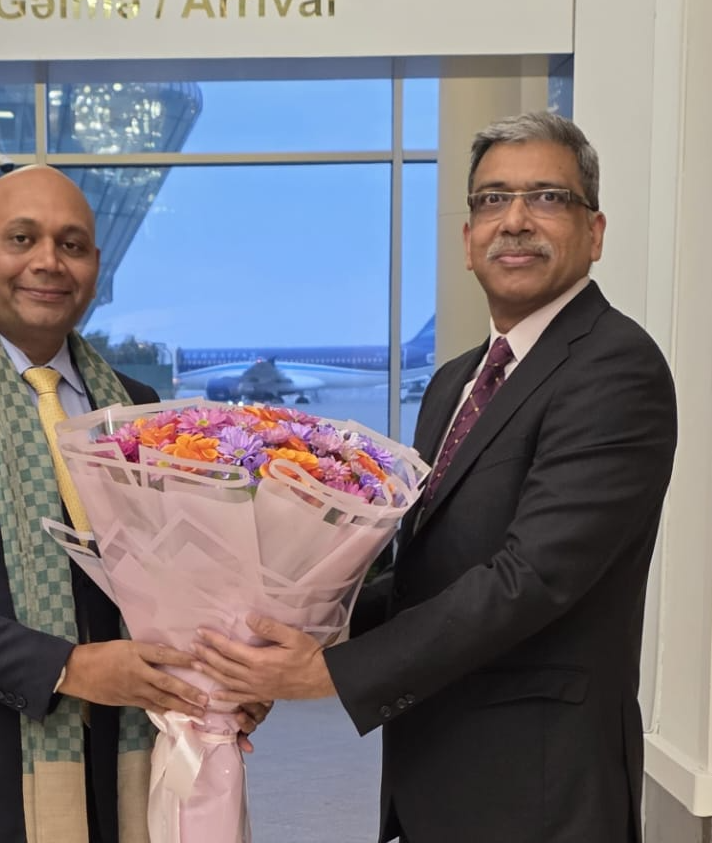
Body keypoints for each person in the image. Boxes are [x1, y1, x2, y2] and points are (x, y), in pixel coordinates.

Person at [195, 111, 678, 843]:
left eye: (547, 197)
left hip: (540, 792)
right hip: (435, 776)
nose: (514, 220)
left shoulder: (614, 366)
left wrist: (331, 673)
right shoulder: (455, 382)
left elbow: (529, 578)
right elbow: (425, 574)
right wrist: (291, 628)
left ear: (595, 232)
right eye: (492, 199)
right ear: (467, 239)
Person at [0, 166, 260, 843]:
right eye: (22, 238)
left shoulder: (135, 405)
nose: (48, 262)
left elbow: (170, 577)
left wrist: (221, 679)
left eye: (71, 244)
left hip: (117, 769)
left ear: (95, 266)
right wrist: (70, 668)